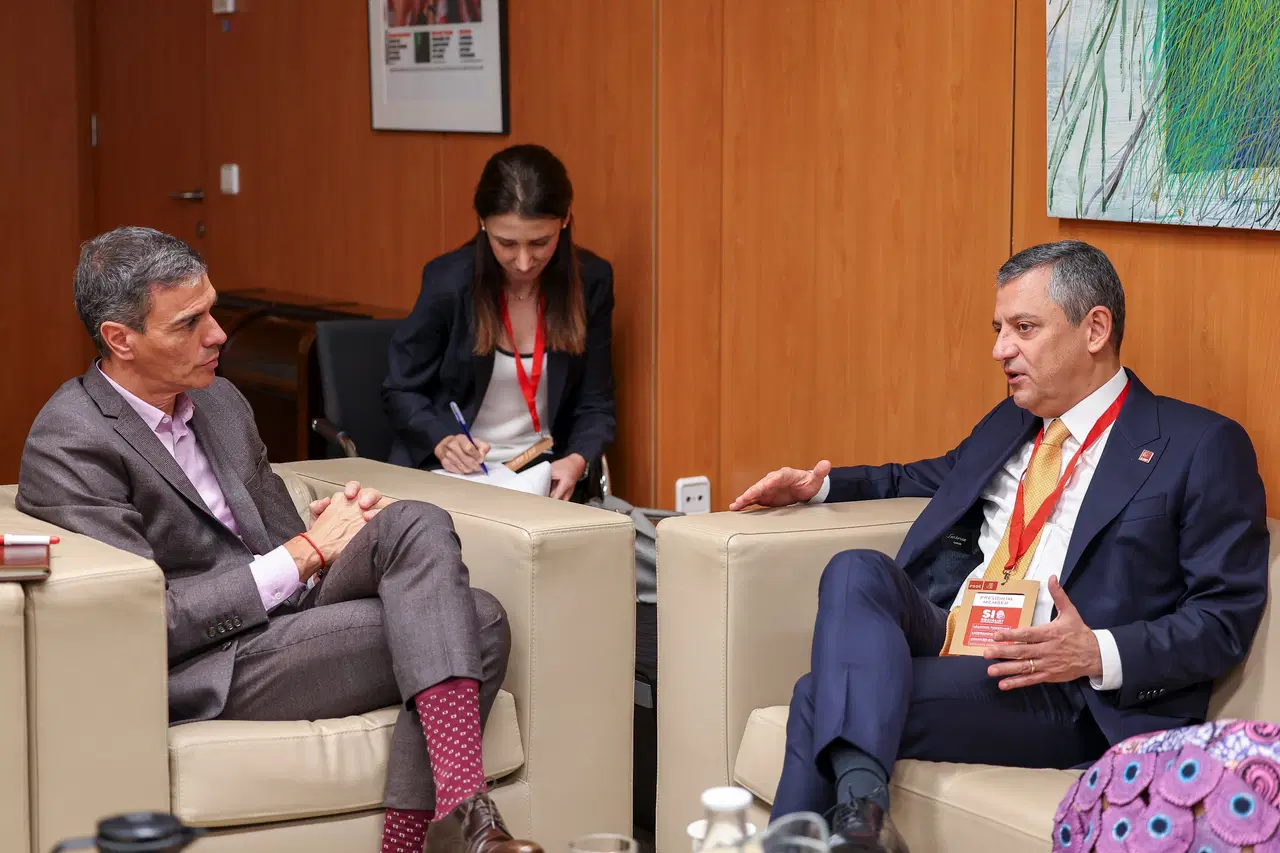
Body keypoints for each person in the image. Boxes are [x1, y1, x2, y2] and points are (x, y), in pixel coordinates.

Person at [729, 241, 1269, 853]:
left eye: (1024, 328)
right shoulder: (1012, 422)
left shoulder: (1199, 445)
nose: (1000, 350)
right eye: (998, 330)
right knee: (856, 570)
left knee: (817, 695)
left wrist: (1095, 652)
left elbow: (1223, 618)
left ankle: (854, 814)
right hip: (961, 631)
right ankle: (863, 824)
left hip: (1061, 681)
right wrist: (821, 486)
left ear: (1095, 329)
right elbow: (921, 476)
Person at [17, 227, 541, 853]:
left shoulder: (219, 401)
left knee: (415, 520)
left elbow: (280, 537)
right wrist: (306, 552)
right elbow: (139, 622)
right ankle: (429, 835)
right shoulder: (71, 440)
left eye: (212, 310)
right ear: (120, 339)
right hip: (211, 661)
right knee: (477, 621)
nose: (218, 334)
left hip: (288, 615)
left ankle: (457, 814)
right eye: (189, 323)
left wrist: (336, 531)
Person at [383, 143, 616, 501]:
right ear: (482, 223)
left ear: (565, 220)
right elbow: (400, 389)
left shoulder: (590, 283)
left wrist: (577, 460)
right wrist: (441, 440)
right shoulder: (449, 282)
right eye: (506, 243)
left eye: (540, 242)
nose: (523, 262)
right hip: (452, 475)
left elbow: (595, 403)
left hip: (540, 475)